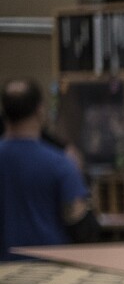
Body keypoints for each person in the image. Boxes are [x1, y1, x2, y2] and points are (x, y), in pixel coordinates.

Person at [0, 78, 96, 261]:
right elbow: (79, 223)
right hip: (48, 269)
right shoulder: (60, 163)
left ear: (4, 111)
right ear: (40, 110)